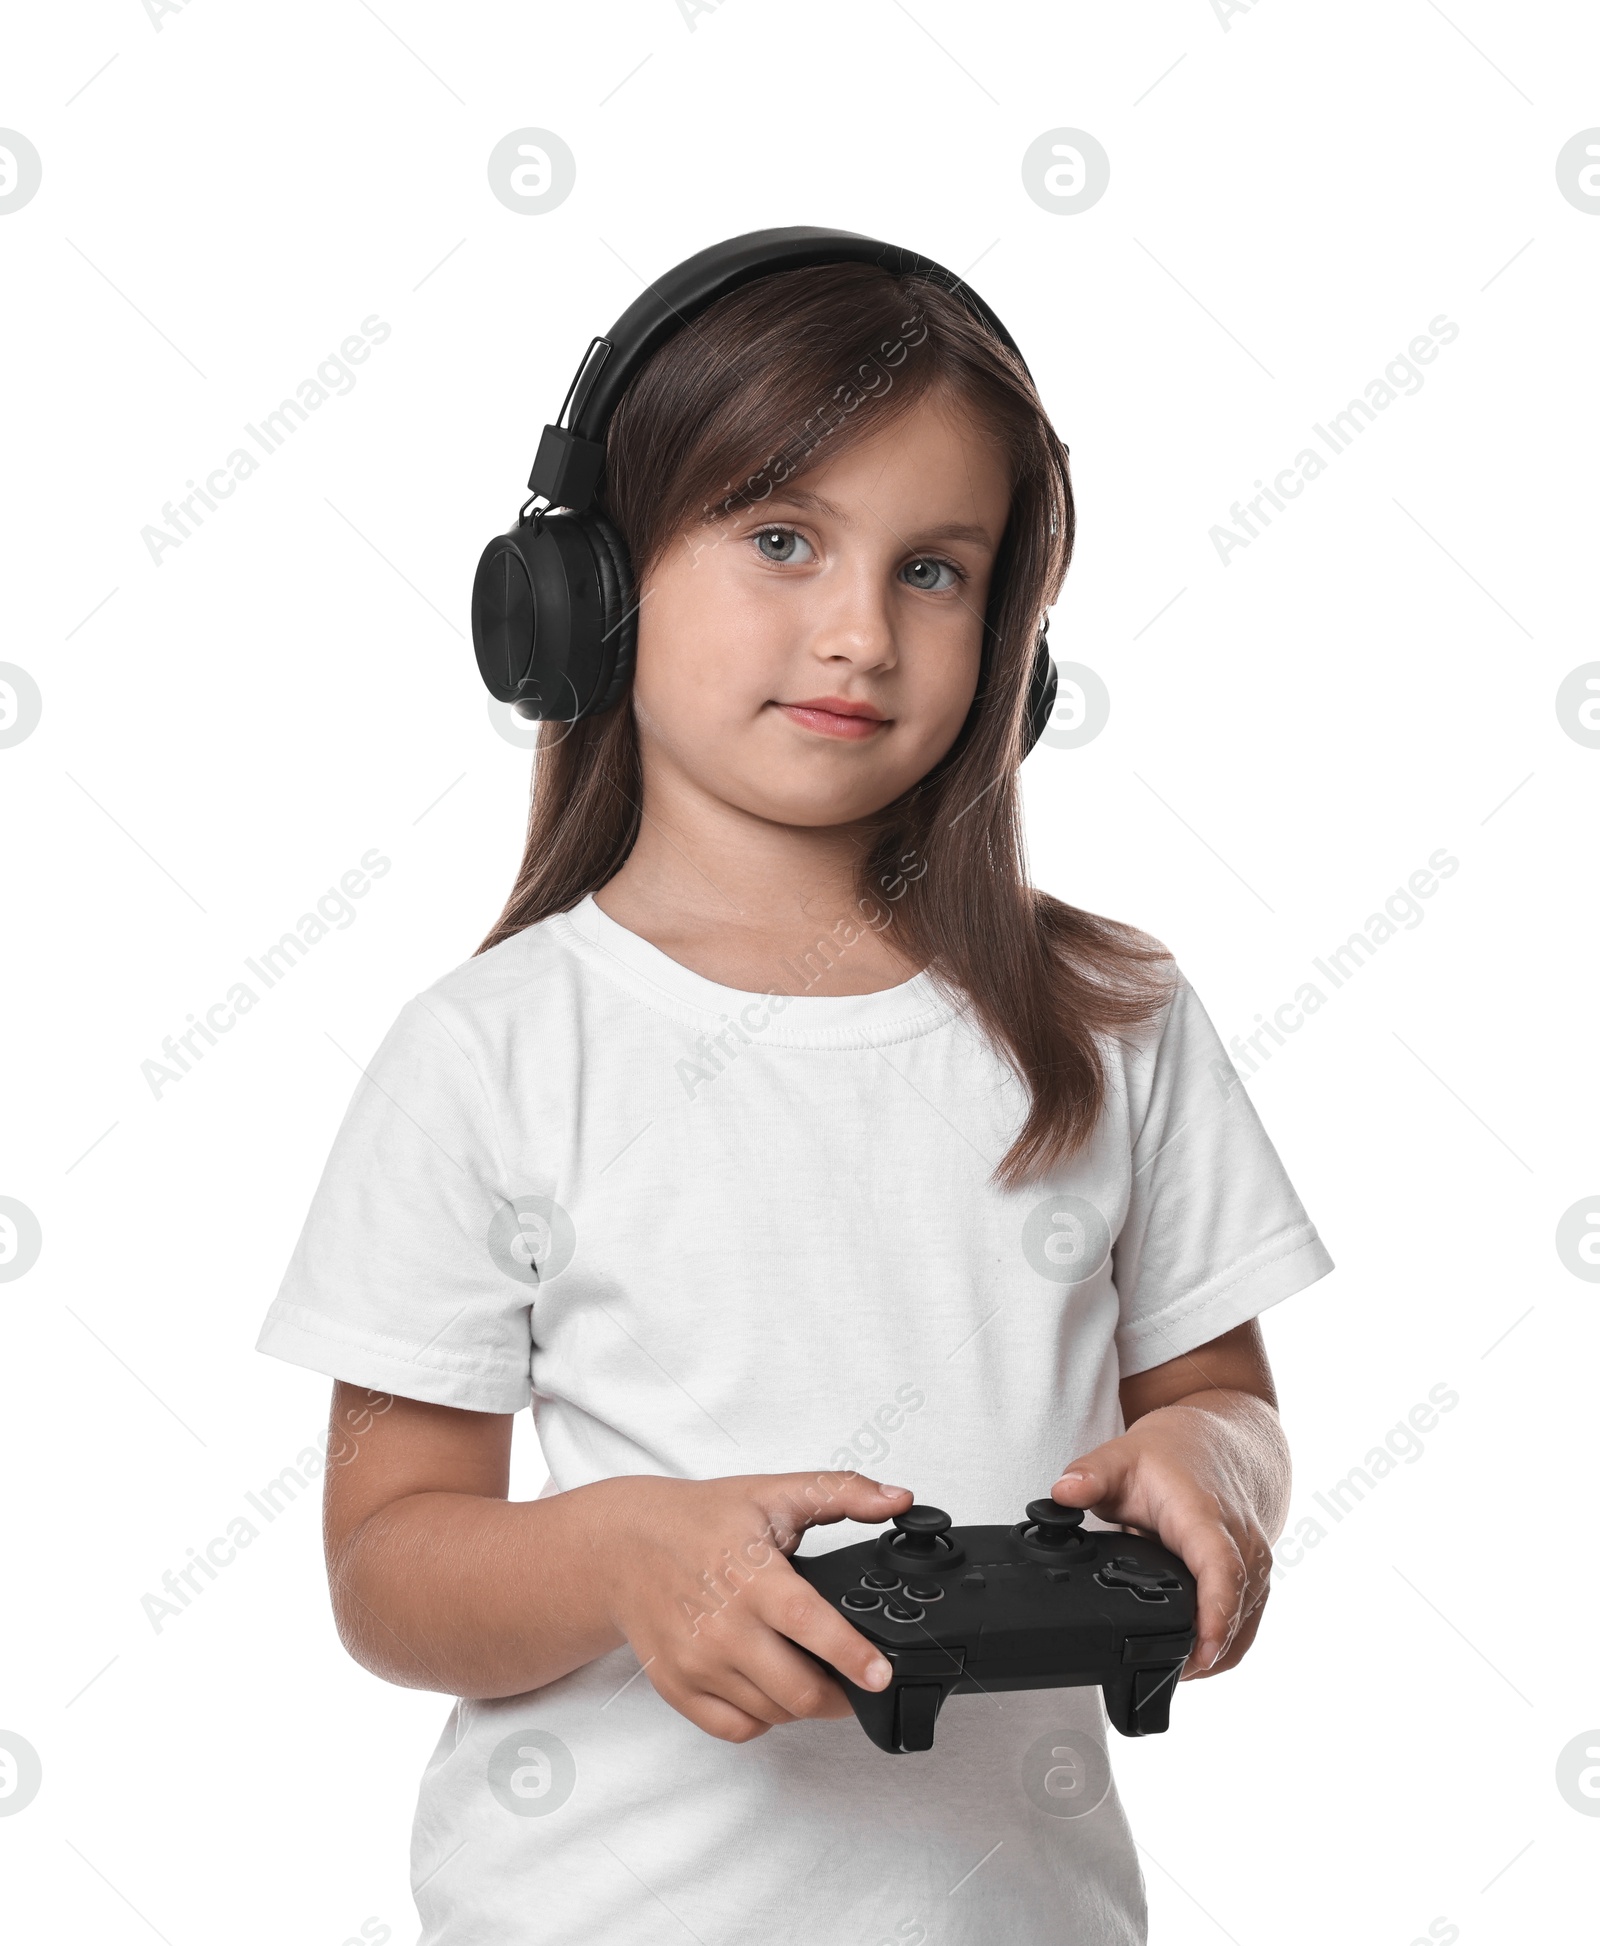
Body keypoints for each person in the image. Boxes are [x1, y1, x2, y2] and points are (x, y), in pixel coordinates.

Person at [257, 252, 1333, 1945]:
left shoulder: (1111, 1017)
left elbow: (1225, 1404)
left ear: (1014, 644)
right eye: (781, 539)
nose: (858, 630)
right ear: (585, 590)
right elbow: (387, 1563)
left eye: (933, 569)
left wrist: (1219, 1468)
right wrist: (621, 1555)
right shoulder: (493, 1052)